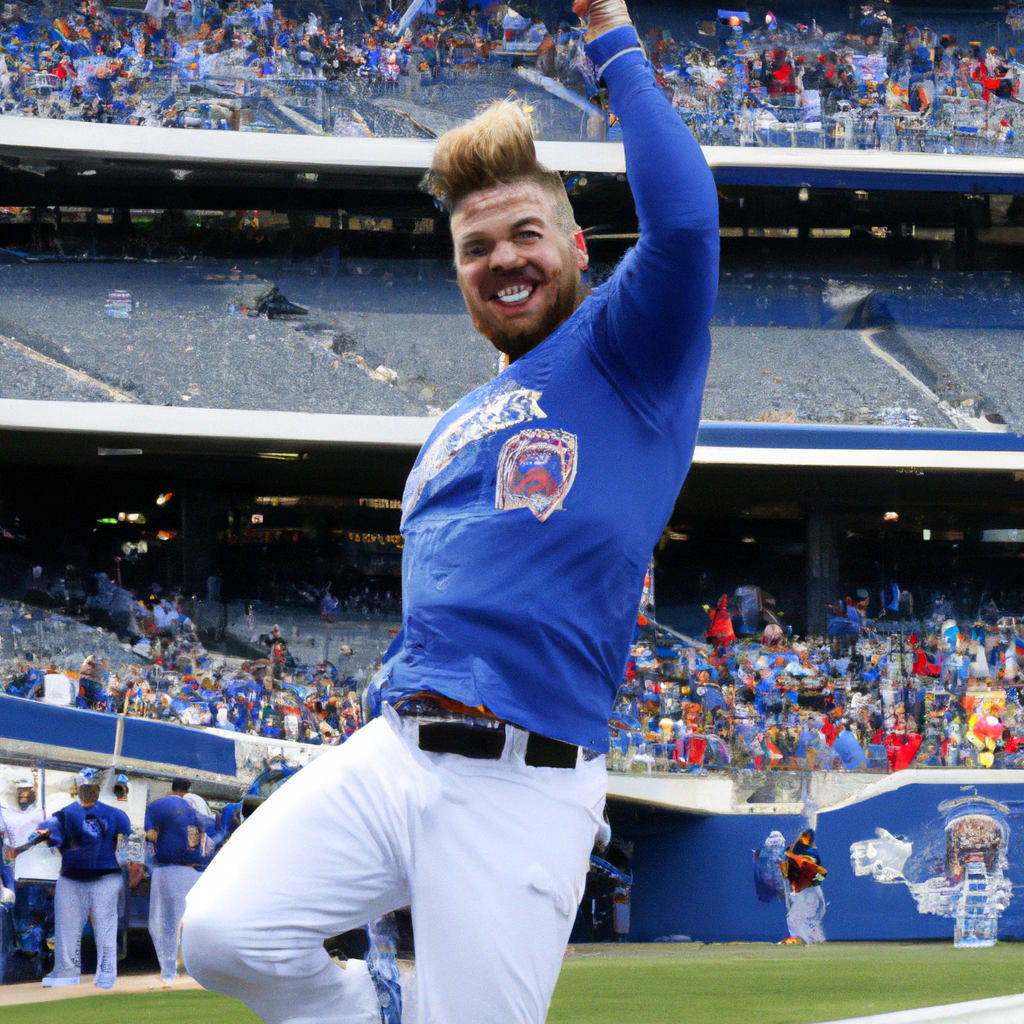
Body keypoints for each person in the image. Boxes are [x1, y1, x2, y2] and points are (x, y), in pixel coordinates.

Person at [180, 0, 718, 1020]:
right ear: (458, 274)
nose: (503, 258)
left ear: (578, 249)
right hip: (396, 750)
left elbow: (686, 223)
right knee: (222, 931)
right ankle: (378, 1007)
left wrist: (611, 35)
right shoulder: (454, 424)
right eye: (476, 246)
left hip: (523, 778)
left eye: (526, 233)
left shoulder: (626, 356)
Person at [36, 768, 136, 989]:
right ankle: (66, 971)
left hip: (105, 877)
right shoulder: (64, 814)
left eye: (92, 788)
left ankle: (107, 972)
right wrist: (41, 836)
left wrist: (125, 863)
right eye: (85, 787)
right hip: (71, 877)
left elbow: (128, 841)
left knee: (105, 926)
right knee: (67, 927)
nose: (89, 792)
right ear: (78, 789)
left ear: (98, 790)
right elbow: (46, 832)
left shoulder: (115, 814)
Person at [146, 778, 206, 987]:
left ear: (172, 789)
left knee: (163, 923)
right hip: (198, 871)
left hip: (169, 869)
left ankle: (169, 972)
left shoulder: (160, 805)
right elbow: (201, 838)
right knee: (195, 920)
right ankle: (198, 971)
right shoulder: (197, 804)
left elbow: (151, 835)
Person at [781, 827, 827, 944]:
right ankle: (811, 939)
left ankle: (804, 939)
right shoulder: (793, 861)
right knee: (799, 917)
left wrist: (814, 880)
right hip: (803, 891)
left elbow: (822, 873)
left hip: (808, 892)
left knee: (799, 917)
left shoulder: (807, 860)